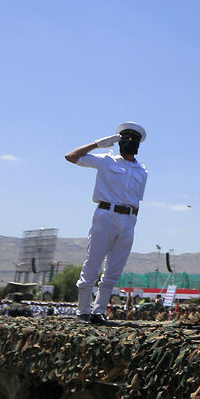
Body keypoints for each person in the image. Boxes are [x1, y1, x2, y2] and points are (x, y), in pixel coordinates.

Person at [65, 122, 148, 325]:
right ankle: (82, 311)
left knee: (114, 269)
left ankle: (99, 311)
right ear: (118, 141)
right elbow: (71, 157)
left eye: (133, 140)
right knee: (93, 262)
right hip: (105, 214)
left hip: (129, 218)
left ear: (138, 145)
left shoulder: (142, 171)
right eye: (125, 139)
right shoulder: (106, 160)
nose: (129, 143)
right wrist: (96, 144)